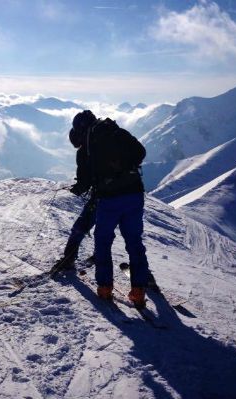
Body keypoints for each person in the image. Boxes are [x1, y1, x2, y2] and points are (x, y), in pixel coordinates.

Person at [71, 110, 152, 307]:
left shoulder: (87, 148)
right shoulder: (116, 132)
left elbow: (84, 181)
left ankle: (105, 288)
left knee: (103, 241)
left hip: (109, 200)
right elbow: (140, 152)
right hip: (134, 194)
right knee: (134, 241)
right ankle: (139, 291)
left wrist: (77, 188)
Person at [53, 127, 97, 270]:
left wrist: (77, 188)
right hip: (130, 194)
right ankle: (144, 277)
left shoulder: (85, 151)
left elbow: (84, 183)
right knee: (131, 239)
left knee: (79, 228)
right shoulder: (108, 142)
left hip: (102, 197)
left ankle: (69, 259)